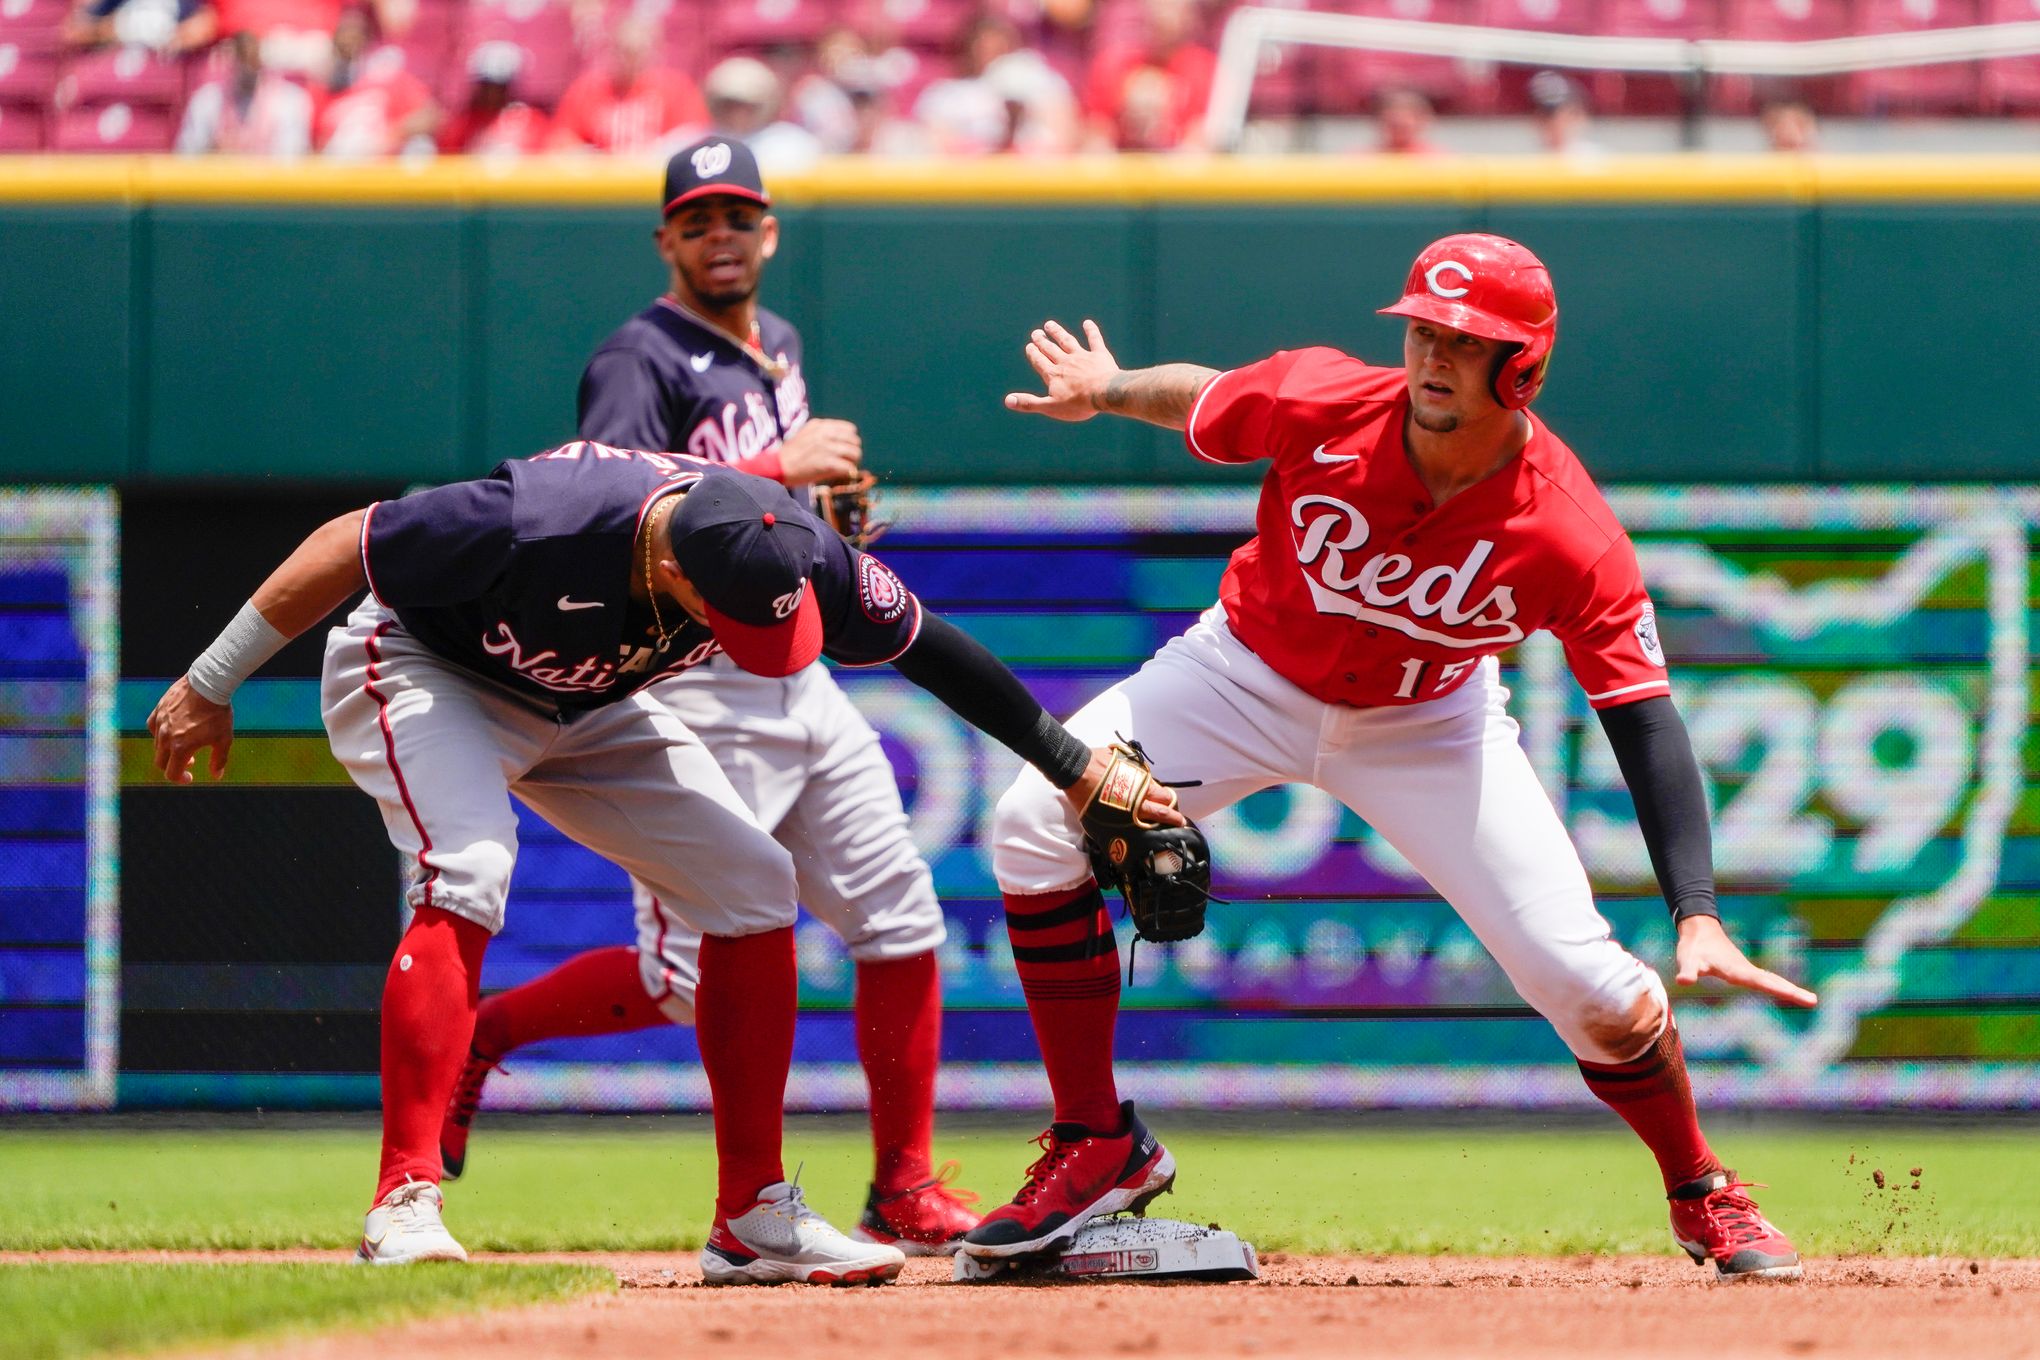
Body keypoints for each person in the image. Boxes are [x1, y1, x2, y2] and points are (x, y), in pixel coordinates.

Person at [967, 232, 1815, 1281]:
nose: (1431, 355)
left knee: (1592, 985)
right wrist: (1107, 386)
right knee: (1026, 819)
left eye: (1464, 340)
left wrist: (1697, 911)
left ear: (1523, 366)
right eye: (1422, 329)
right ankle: (1097, 1141)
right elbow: (1203, 397)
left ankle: (1704, 1191)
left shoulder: (1569, 529)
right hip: (1241, 674)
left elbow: (1642, 714)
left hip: (1432, 725)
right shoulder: (1327, 399)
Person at [147, 450, 1177, 1279]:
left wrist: (1076, 769)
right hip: (427, 667)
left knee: (752, 884)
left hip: (584, 702)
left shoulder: (789, 544)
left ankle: (752, 1216)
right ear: (678, 570)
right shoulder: (538, 517)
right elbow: (345, 541)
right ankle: (403, 1200)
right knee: (467, 868)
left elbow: (933, 648)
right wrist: (210, 678)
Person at [434, 138, 984, 1258]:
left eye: (739, 217)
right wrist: (778, 469)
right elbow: (615, 496)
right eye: (699, 219)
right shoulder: (639, 355)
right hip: (695, 685)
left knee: (902, 917)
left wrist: (823, 527)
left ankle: (907, 1186)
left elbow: (766, 509)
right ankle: (483, 1034)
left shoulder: (773, 342)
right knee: (683, 978)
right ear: (667, 239)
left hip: (801, 672)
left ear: (769, 231)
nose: (720, 235)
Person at [549, 14, 704, 154]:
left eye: (639, 51)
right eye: (624, 51)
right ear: (611, 50)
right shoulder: (586, 90)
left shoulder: (677, 88)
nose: (630, 60)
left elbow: (692, 136)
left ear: (655, 51)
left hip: (654, 176)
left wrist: (652, 153)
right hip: (601, 180)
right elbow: (562, 140)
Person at [175, 29, 313, 157]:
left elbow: (291, 162)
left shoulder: (289, 100)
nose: (246, 71)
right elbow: (188, 156)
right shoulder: (208, 100)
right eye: (241, 62)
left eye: (252, 62)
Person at [436, 41, 549, 156]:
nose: (493, 93)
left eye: (500, 87)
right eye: (488, 85)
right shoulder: (462, 126)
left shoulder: (533, 124)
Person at [1528, 69, 1603, 163]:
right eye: (1546, 117)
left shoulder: (1597, 163)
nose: (1554, 124)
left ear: (1580, 116)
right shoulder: (1528, 165)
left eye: (1565, 117)